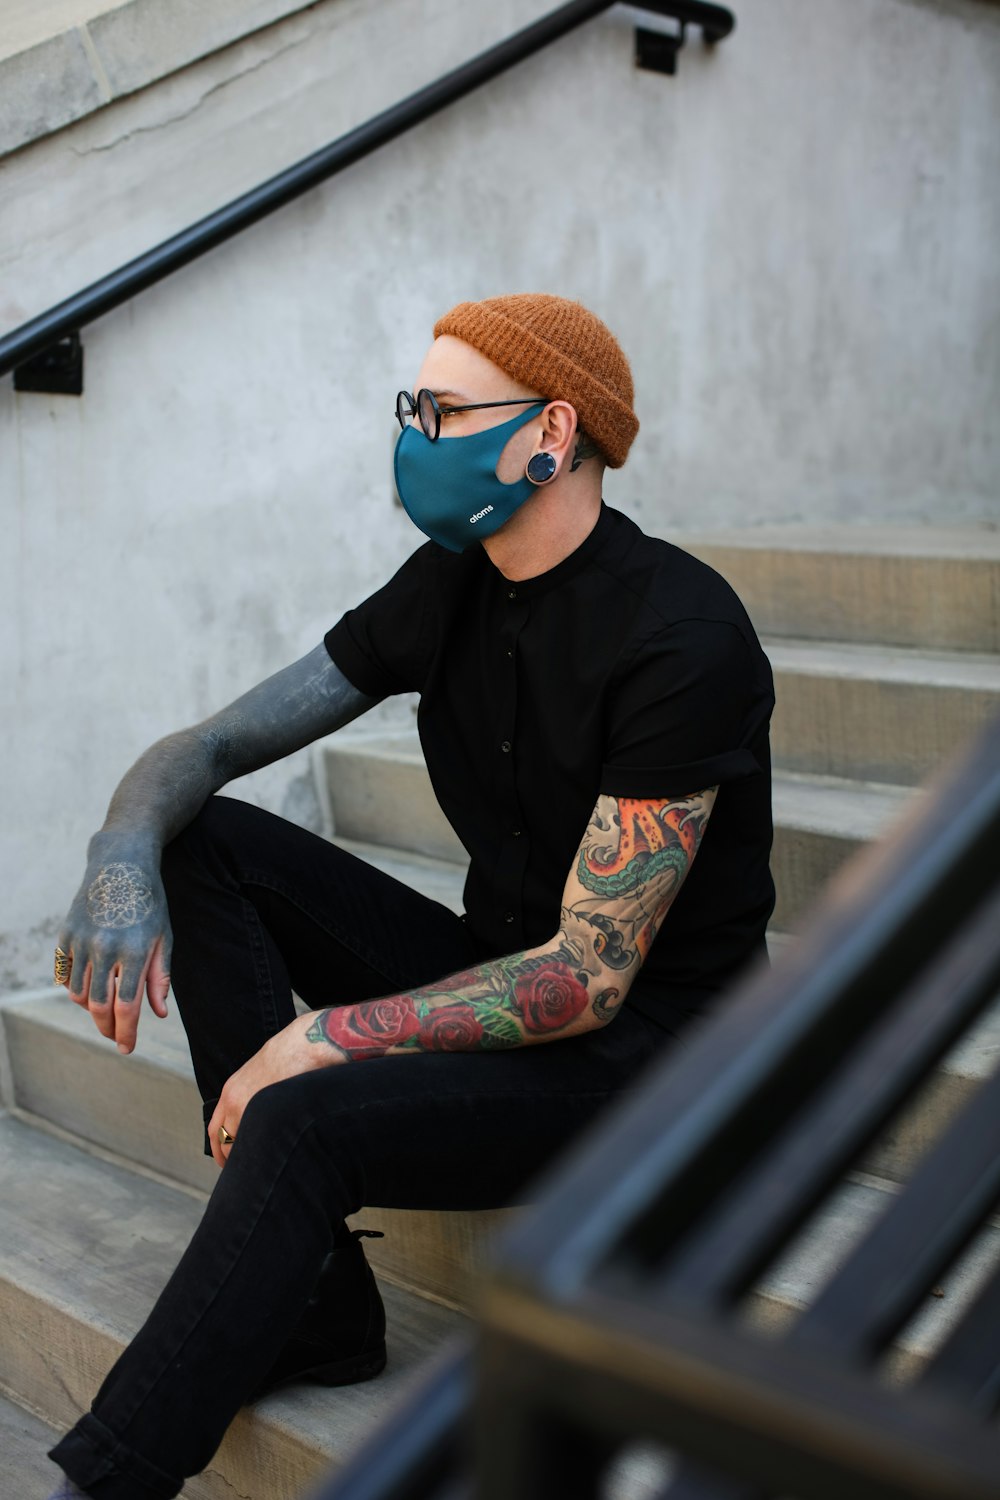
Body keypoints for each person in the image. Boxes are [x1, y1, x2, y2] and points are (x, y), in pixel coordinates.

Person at [45, 293, 775, 1499]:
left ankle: (106, 1479)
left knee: (302, 1117)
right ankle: (321, 1303)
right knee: (203, 843)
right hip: (497, 974)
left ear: (549, 434)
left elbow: (583, 978)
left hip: (643, 1052)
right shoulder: (448, 585)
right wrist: (121, 846)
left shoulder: (681, 638)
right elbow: (214, 749)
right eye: (412, 407)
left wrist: (322, 1039)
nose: (414, 437)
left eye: (442, 412)